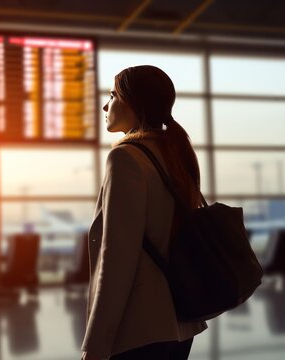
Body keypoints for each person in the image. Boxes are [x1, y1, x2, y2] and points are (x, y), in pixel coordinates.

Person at [80, 65, 207, 360]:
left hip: (140, 329)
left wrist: (96, 344)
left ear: (134, 102)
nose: (105, 104)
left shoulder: (125, 158)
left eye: (112, 95)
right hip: (179, 320)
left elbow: (117, 258)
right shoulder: (174, 153)